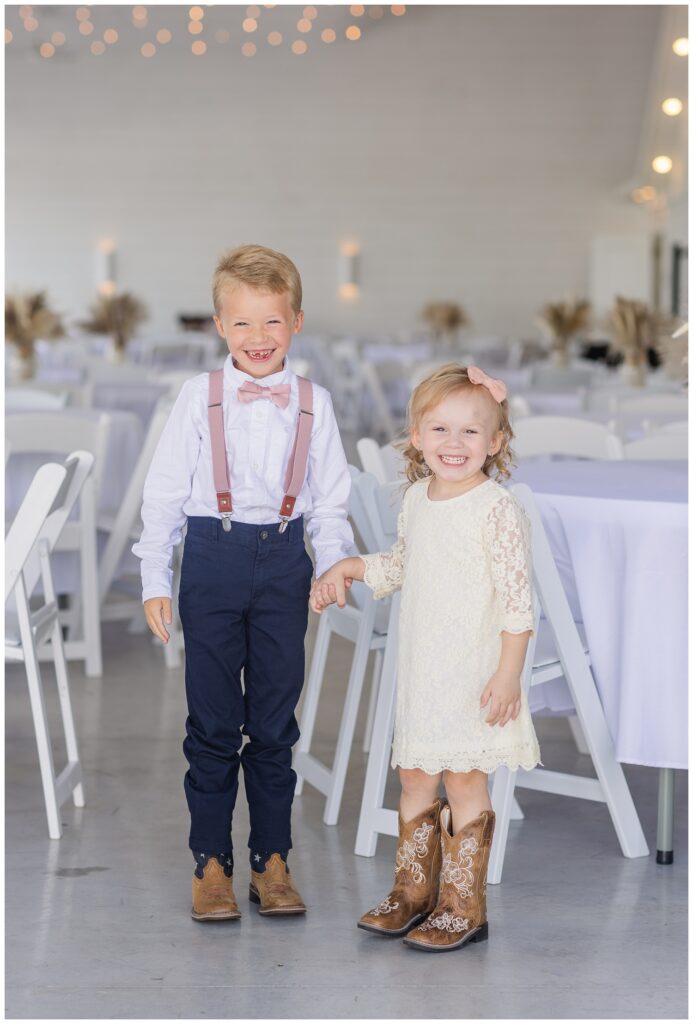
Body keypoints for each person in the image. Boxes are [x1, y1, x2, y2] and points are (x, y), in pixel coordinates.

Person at [133, 244, 353, 922]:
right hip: (211, 556)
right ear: (219, 327)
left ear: (297, 322)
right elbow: (165, 491)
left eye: (272, 323)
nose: (258, 339)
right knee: (211, 720)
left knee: (273, 722)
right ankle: (210, 861)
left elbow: (330, 502)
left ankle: (271, 858)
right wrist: (153, 575)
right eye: (243, 324)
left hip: (285, 562)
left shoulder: (314, 402)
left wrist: (332, 563)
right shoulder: (197, 398)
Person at [310, 363, 541, 952]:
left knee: (464, 778)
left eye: (471, 432)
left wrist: (509, 673)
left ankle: (464, 904)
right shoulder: (417, 498)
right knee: (415, 773)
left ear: (496, 442)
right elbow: (404, 565)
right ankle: (412, 892)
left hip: (474, 671)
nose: (454, 444)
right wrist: (354, 566)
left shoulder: (497, 509)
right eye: (440, 429)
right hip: (423, 670)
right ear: (416, 435)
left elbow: (520, 603)